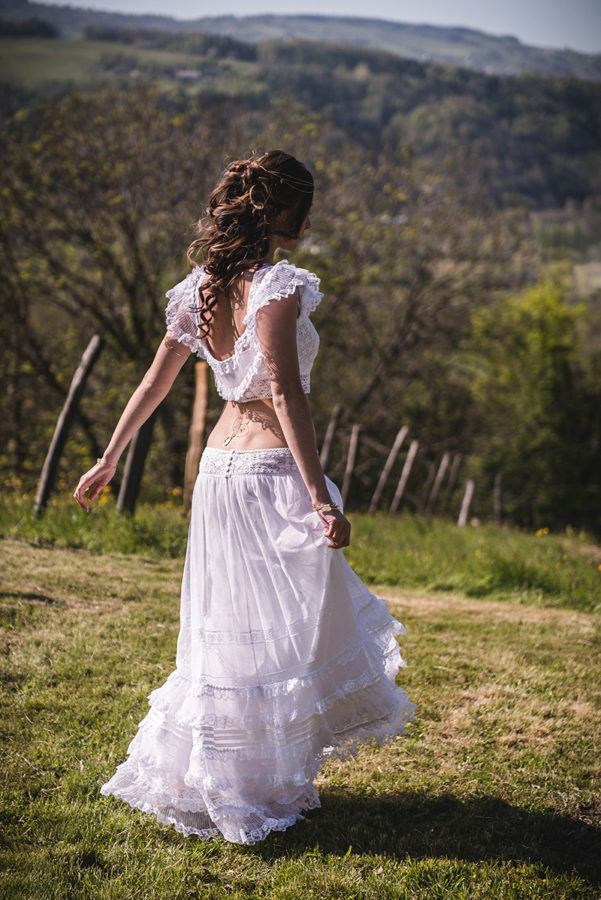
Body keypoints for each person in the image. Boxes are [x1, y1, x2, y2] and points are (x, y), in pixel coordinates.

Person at [73, 149, 415, 845]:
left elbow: (152, 384)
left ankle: (243, 776)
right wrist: (320, 496)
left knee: (232, 627)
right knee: (290, 625)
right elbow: (284, 392)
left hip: (217, 473)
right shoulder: (279, 286)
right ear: (277, 211)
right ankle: (248, 777)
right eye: (301, 206)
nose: (309, 220)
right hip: (263, 473)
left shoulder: (198, 288)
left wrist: (111, 455)